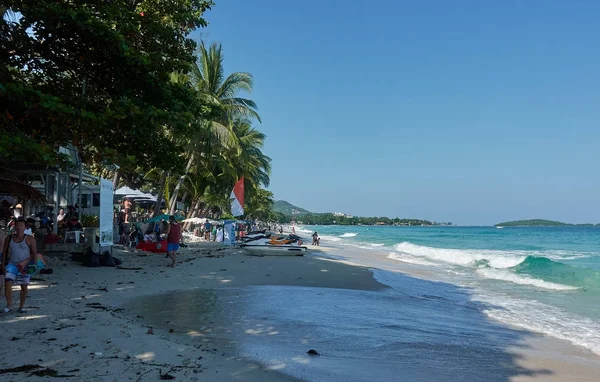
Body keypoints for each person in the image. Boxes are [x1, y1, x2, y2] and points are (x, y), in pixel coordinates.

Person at [2, 217, 38, 313]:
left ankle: (21, 307)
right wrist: (2, 264)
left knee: (24, 286)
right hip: (11, 264)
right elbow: (4, 252)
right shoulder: (9, 238)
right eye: (17, 225)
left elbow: (34, 253)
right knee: (7, 283)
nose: (19, 227)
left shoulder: (30, 239)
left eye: (21, 225)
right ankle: (9, 305)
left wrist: (34, 265)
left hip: (24, 266)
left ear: (25, 227)